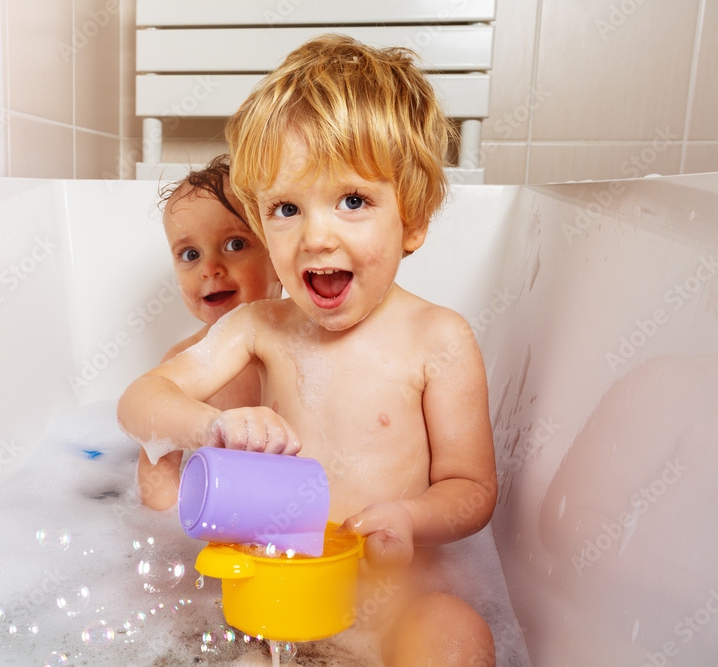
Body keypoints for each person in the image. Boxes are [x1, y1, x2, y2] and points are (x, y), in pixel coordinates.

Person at [118, 35, 497, 665]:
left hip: (390, 604)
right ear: (261, 223)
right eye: (287, 208)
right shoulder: (257, 328)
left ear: (413, 219)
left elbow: (471, 487)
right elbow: (139, 403)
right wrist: (210, 424)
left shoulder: (439, 340)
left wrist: (410, 517)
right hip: (270, 608)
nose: (317, 236)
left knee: (456, 632)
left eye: (352, 201)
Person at [137, 155, 282, 511]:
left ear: (279, 254)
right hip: (219, 522)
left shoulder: (303, 342)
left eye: (235, 244)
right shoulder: (183, 363)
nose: (210, 269)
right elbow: (158, 467)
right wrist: (171, 528)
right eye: (190, 254)